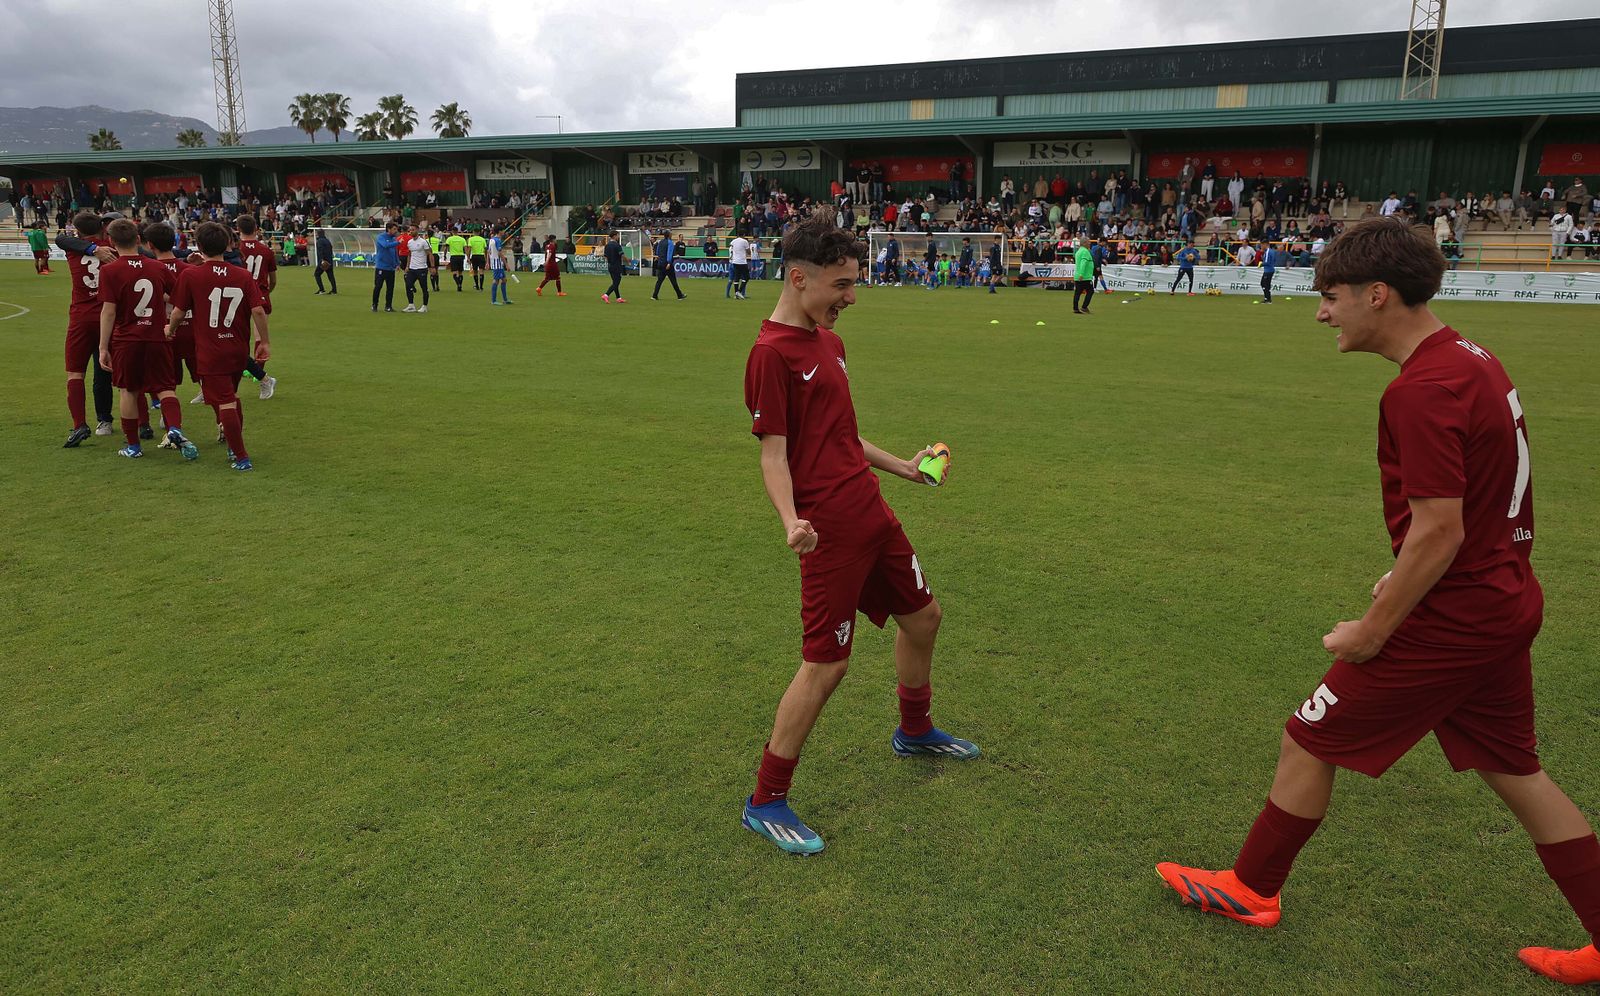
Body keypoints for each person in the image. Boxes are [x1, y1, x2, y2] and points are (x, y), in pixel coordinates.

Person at [1155, 217, 1600, 987]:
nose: (1322, 313)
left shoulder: (1421, 390)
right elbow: (1483, 511)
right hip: (1500, 598)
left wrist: (1374, 626)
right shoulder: (1472, 356)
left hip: (1456, 617)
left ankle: (1252, 890)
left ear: (1377, 294)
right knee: (1515, 771)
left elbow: (1439, 528)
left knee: (1307, 737)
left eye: (1330, 297)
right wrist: (1406, 575)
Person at [739, 210, 979, 856]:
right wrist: (792, 521)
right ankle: (765, 799)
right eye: (841, 285)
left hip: (872, 514)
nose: (851, 297)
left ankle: (915, 730)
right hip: (828, 531)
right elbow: (773, 453)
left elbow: (840, 435)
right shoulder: (770, 356)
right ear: (798, 279)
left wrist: (904, 467)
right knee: (827, 664)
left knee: (924, 617)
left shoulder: (829, 343)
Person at [168, 221, 269, 471]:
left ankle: (241, 456)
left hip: (210, 350)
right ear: (227, 244)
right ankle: (234, 448)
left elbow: (179, 312)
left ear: (199, 246)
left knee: (225, 402)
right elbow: (257, 310)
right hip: (236, 348)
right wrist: (263, 341)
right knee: (230, 398)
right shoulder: (242, 275)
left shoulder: (191, 274)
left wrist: (169, 330)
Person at [95, 218, 194, 460]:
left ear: (111, 241)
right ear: (138, 239)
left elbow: (108, 311)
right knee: (165, 388)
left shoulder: (109, 270)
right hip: (157, 336)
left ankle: (133, 447)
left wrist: (102, 347)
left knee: (128, 390)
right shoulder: (157, 267)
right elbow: (179, 297)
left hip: (127, 339)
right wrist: (168, 318)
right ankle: (174, 429)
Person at [59, 213, 119, 445]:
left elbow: (60, 240)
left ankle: (79, 424)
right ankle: (140, 424)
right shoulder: (111, 248)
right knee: (123, 372)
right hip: (110, 316)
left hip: (81, 318)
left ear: (78, 231)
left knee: (75, 373)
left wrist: (90, 248)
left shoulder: (75, 249)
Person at [233, 215, 279, 400]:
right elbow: (273, 279)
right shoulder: (266, 250)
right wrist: (266, 291)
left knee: (237, 335)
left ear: (238, 229)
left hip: (238, 295)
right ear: (256, 228)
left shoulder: (237, 249)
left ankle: (256, 373)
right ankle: (258, 373)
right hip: (260, 294)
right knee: (260, 335)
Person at [372, 221, 399, 312]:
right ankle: (374, 304)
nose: (396, 231)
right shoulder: (381, 237)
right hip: (381, 267)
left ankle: (388, 306)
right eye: (394, 229)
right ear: (389, 229)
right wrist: (398, 242)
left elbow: (394, 252)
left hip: (391, 268)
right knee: (378, 286)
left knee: (390, 288)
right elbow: (385, 245)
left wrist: (397, 263)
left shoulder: (394, 238)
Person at [402, 226, 431, 312]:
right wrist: (407, 266)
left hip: (422, 268)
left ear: (417, 230)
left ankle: (424, 306)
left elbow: (429, 254)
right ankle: (411, 305)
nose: (411, 231)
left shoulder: (423, 242)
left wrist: (432, 267)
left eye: (413, 230)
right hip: (412, 268)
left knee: (424, 288)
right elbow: (410, 255)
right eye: (410, 230)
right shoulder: (410, 242)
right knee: (408, 285)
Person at [651, 231, 684, 300]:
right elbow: (669, 253)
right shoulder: (670, 242)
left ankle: (654, 295)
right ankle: (679, 295)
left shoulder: (660, 242)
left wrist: (659, 259)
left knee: (659, 281)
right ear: (669, 235)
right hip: (667, 264)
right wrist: (669, 262)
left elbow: (657, 252)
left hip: (660, 263)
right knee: (673, 280)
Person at [487, 228, 512, 305]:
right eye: (503, 230)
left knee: (504, 280)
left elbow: (488, 251)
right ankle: (493, 300)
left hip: (494, 262)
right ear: (499, 231)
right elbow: (500, 253)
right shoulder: (498, 240)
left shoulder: (491, 240)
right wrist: (506, 264)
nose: (504, 232)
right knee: (496, 280)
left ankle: (505, 299)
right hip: (497, 263)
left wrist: (487, 262)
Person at [601, 231, 626, 303]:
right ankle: (606, 295)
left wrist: (609, 262)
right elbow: (622, 255)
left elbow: (605, 256)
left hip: (610, 266)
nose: (618, 237)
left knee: (615, 282)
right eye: (618, 235)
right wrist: (628, 261)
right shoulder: (617, 245)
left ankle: (618, 298)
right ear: (614, 236)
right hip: (617, 266)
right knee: (616, 282)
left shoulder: (607, 245)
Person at [1072, 239, 1095, 314]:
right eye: (1088, 242)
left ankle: (1075, 308)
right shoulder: (1085, 252)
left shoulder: (1078, 251)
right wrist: (1082, 274)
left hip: (1077, 275)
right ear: (1084, 243)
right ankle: (1084, 307)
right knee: (1090, 291)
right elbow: (1083, 263)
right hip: (1085, 276)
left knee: (1077, 292)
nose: (1090, 243)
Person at [728, 233, 752, 300]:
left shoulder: (733, 241)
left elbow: (731, 245)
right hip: (742, 262)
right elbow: (748, 252)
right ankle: (739, 291)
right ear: (744, 234)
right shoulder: (744, 241)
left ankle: (736, 293)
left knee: (737, 277)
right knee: (746, 277)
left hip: (735, 261)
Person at [314, 229, 337, 295]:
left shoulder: (319, 241)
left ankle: (321, 289)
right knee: (331, 276)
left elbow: (320, 251)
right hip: (329, 260)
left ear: (318, 234)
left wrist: (321, 260)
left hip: (323, 261)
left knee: (317, 274)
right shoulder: (327, 240)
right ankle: (334, 290)